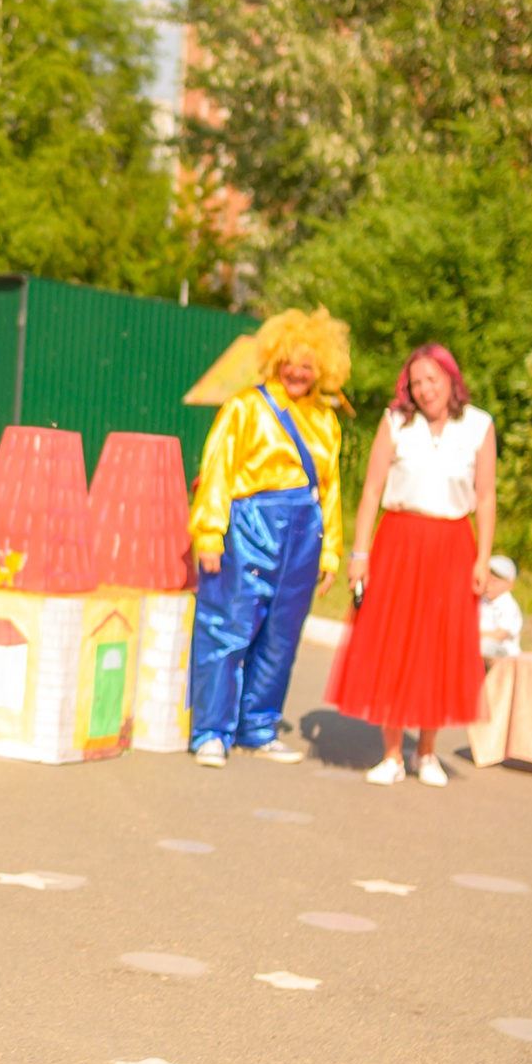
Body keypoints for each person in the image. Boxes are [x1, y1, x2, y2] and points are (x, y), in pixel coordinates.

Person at [326, 343, 497, 786]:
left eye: (432, 380)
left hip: (453, 546)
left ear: (450, 379)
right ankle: (391, 755)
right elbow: (371, 491)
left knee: (439, 645)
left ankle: (426, 752)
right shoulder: (395, 423)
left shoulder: (479, 426)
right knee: (395, 642)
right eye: (416, 382)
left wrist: (482, 558)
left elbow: (485, 497)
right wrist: (359, 555)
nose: (425, 390)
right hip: (399, 542)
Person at [186, 308, 349, 768]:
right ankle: (212, 731)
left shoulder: (326, 419)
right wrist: (210, 534)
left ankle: (257, 727)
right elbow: (217, 470)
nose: (297, 372)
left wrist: (330, 551)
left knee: (282, 633)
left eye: (307, 364)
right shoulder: (245, 407)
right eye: (290, 362)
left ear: (324, 368)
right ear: (275, 360)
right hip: (249, 526)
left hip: (304, 535)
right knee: (229, 626)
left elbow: (331, 488)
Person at [479, 555, 523, 659]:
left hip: (504, 652)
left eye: (495, 581)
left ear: (509, 585)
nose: (489, 584)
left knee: (484, 646)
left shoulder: (508, 605)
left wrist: (473, 635)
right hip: (481, 644)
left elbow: (499, 635)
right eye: (487, 579)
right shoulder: (482, 600)